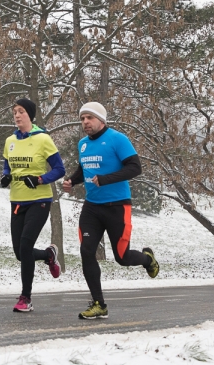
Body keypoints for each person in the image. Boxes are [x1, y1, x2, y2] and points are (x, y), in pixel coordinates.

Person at [63, 102, 159, 319]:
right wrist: (72, 181)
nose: (85, 122)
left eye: (89, 118)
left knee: (122, 257)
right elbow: (83, 169)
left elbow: (135, 167)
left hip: (117, 207)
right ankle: (99, 304)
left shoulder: (118, 139)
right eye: (82, 118)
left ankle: (147, 259)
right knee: (87, 251)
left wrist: (106, 179)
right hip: (92, 208)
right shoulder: (83, 144)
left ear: (101, 120)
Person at [1, 98, 65, 312]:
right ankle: (48, 255)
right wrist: (6, 176)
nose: (17, 115)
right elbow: (6, 166)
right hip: (17, 201)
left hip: (39, 201)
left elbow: (59, 170)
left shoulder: (43, 139)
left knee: (26, 246)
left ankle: (25, 298)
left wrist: (39, 179)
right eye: (14, 112)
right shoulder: (10, 140)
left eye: (21, 112)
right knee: (20, 253)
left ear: (30, 115)